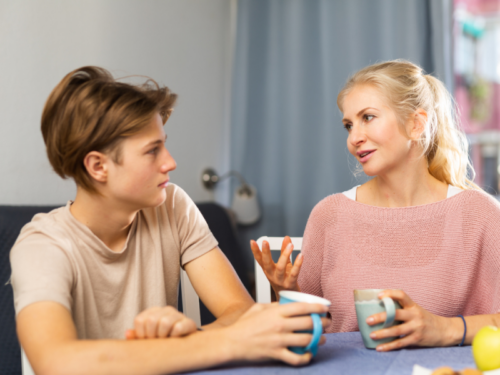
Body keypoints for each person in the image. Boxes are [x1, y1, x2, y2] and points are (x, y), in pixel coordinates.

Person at [10, 66, 330, 375]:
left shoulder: (173, 205)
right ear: (98, 166)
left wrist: (180, 340)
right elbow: (56, 363)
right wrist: (224, 342)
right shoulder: (41, 246)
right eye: (153, 150)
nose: (171, 162)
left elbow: (239, 312)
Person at [251, 60, 500, 352]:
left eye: (367, 117)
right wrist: (287, 292)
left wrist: (444, 328)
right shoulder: (329, 215)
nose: (354, 138)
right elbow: (308, 331)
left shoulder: (478, 214)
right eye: (348, 125)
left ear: (416, 124)